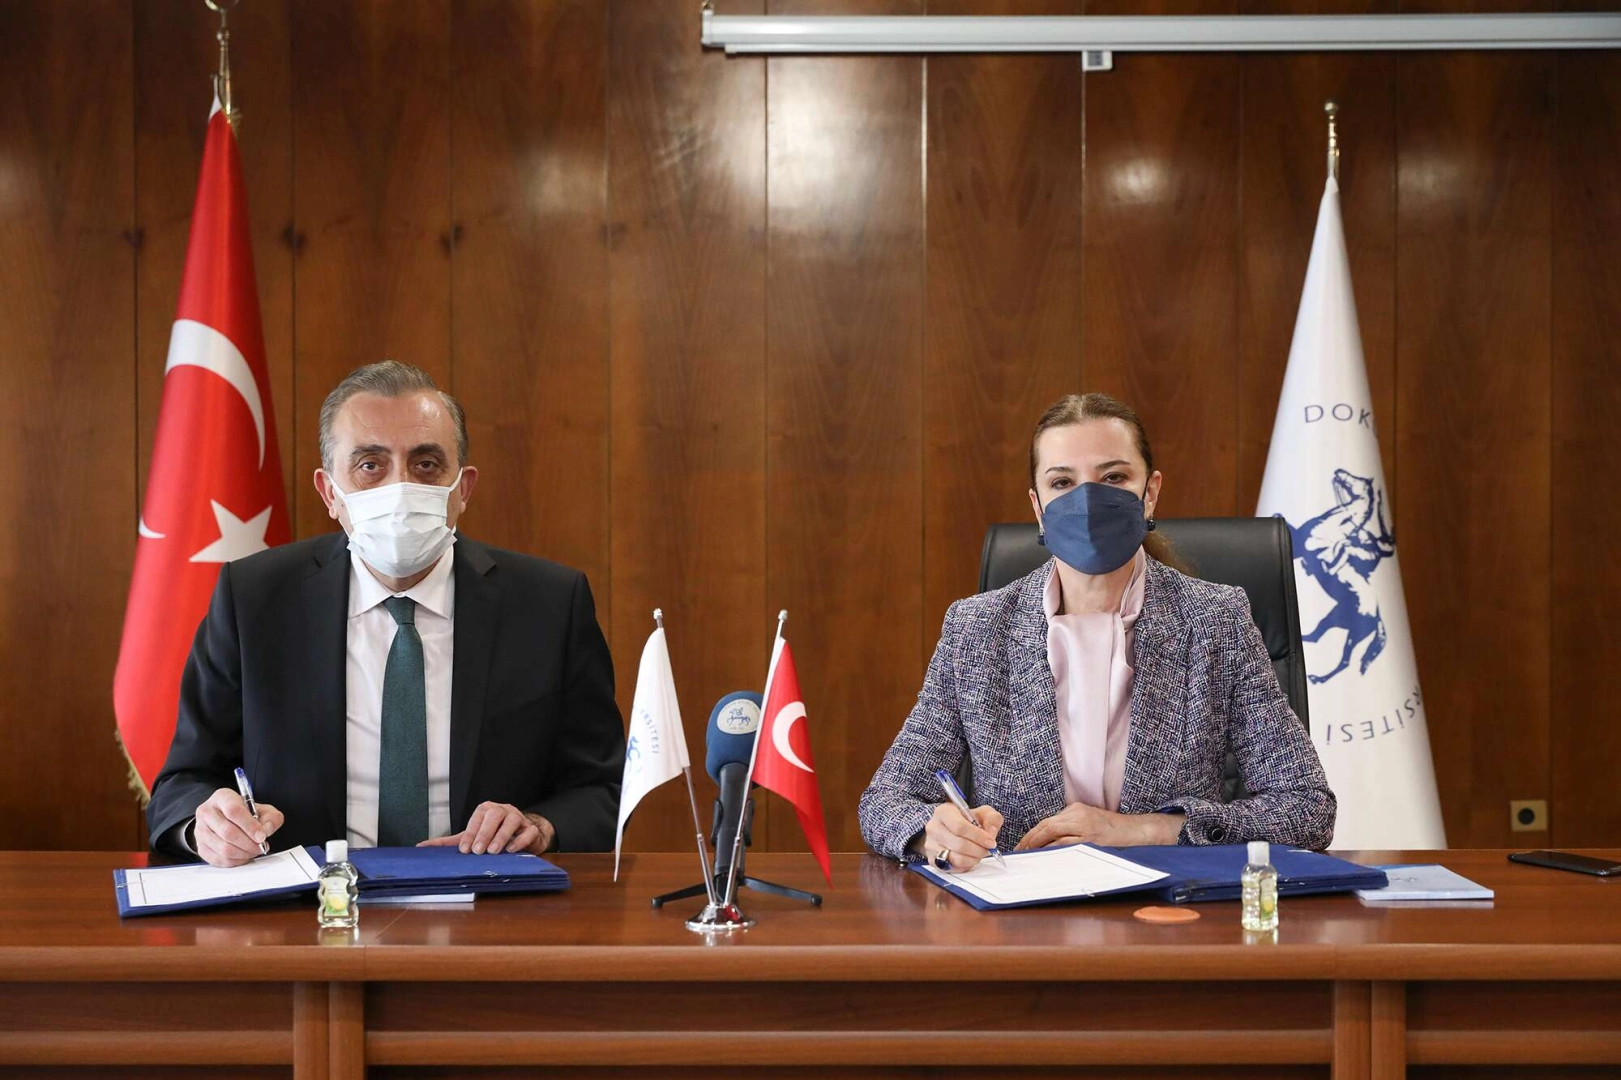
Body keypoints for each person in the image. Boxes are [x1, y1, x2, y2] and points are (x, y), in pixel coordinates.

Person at [147, 361, 624, 867]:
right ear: (330, 493)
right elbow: (183, 780)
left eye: (426, 464)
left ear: (463, 489)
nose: (400, 488)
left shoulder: (550, 604)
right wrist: (208, 827)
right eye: (371, 465)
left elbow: (604, 787)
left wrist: (541, 826)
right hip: (307, 899)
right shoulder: (254, 599)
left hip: (488, 895)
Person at [859, 393, 1335, 871]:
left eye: (1113, 478)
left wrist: (1144, 830)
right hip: (1023, 906)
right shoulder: (976, 629)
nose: (1087, 502)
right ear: (1038, 507)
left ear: (1150, 492)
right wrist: (933, 833)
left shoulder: (1216, 620)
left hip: (1167, 903)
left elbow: (1307, 808)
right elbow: (884, 801)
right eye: (1062, 482)